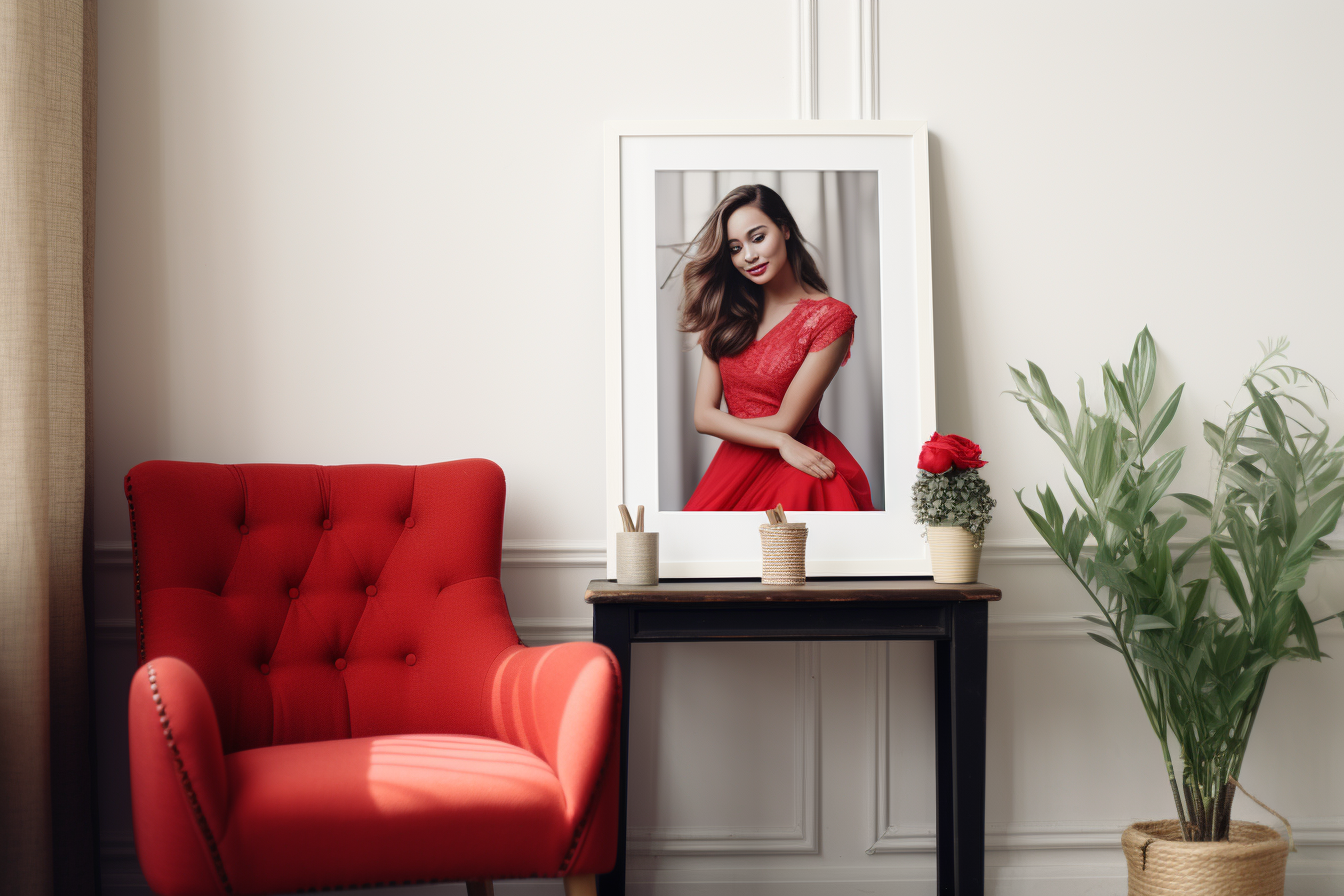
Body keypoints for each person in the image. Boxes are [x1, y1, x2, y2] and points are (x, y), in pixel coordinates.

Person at [679, 184, 876, 511]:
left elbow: (788, 422)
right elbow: (703, 416)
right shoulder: (725, 315)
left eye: (758, 238)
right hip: (735, 465)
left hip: (798, 466)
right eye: (735, 248)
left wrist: (783, 438)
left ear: (784, 229)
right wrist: (779, 440)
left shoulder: (830, 316)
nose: (749, 256)